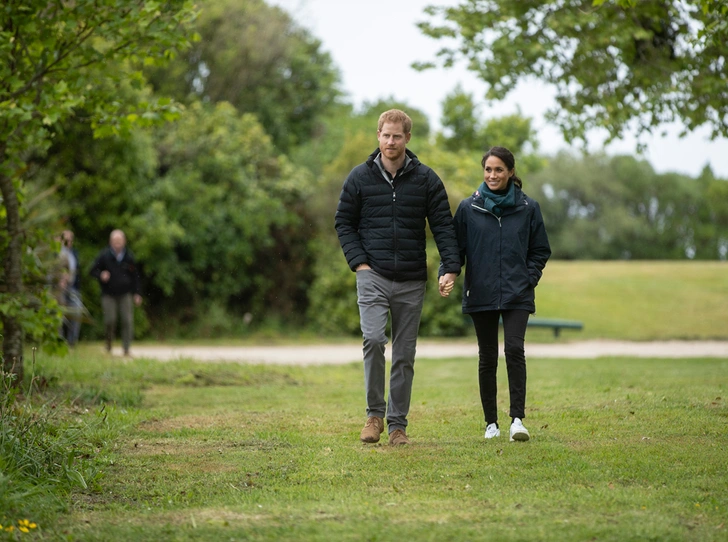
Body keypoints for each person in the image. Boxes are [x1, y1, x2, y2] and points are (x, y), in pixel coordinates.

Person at [335, 109, 460, 446]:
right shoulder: (360, 178)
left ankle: (397, 426)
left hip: (411, 279)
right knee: (374, 340)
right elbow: (343, 222)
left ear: (408, 138)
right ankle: (374, 416)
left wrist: (450, 266)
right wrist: (359, 263)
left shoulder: (426, 179)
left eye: (397, 136)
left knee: (404, 353)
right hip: (371, 274)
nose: (391, 141)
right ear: (378, 136)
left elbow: (443, 226)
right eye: (385, 135)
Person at [439, 146, 551, 442]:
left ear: (511, 172)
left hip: (518, 292)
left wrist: (529, 278)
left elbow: (540, 250)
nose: (492, 175)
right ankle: (491, 423)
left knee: (514, 350)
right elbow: (455, 249)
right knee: (487, 357)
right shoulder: (468, 208)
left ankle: (517, 420)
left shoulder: (528, 208)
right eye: (488, 169)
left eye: (499, 169)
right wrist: (447, 272)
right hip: (482, 291)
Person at [89, 229, 142, 357]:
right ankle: (108, 344)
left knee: (127, 321)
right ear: (110, 242)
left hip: (125, 293)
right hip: (108, 294)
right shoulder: (104, 255)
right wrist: (101, 274)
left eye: (120, 240)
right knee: (110, 320)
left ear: (124, 241)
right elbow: (92, 270)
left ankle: (126, 348)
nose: (117, 243)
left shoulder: (129, 256)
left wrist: (137, 293)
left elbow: (136, 276)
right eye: (115, 241)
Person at [59, 230, 83, 346]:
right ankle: (59, 341)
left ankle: (72, 342)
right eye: (66, 239)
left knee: (76, 313)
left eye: (70, 239)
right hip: (58, 290)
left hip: (73, 288)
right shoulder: (55, 254)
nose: (68, 242)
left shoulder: (75, 253)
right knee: (59, 316)